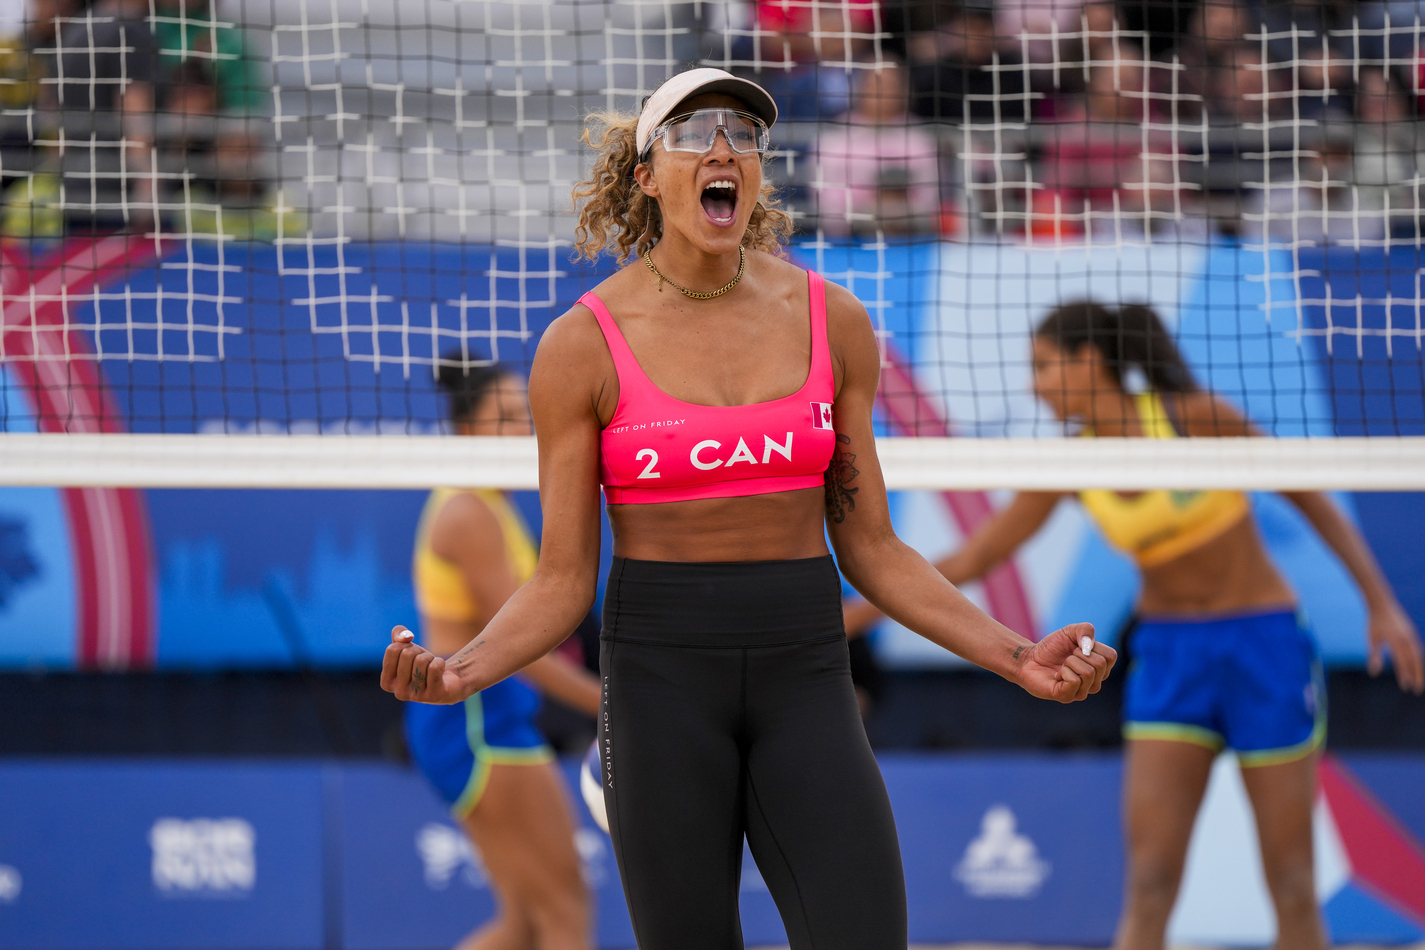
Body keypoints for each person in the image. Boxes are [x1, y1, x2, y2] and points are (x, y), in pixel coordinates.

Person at [382, 66, 1116, 950]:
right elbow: (564, 577)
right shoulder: (580, 345)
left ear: (759, 174)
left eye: (743, 134)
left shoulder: (831, 320)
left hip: (802, 667)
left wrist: (1013, 657)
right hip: (657, 678)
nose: (722, 148)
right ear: (646, 174)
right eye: (693, 133)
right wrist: (463, 670)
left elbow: (874, 549)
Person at [845, 300, 1425, 950]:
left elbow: (1311, 496)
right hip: (1170, 656)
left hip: (1263, 644)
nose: (1033, 384)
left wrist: (1380, 602)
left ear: (1089, 360)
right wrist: (850, 617)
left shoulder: (1194, 418)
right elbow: (974, 557)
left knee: (1291, 880)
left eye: (1043, 365)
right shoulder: (1072, 461)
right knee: (1149, 881)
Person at [403, 361, 602, 950]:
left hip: (477, 718)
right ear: (466, 431)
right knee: (565, 914)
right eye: (507, 418)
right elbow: (519, 653)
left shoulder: (490, 504)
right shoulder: (470, 513)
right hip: (475, 721)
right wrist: (612, 702)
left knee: (524, 925)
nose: (524, 430)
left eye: (527, 417)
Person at [814, 60, 941, 236]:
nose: (884, 91)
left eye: (892, 85)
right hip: (850, 239)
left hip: (910, 236)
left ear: (905, 91)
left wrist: (896, 213)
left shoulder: (920, 141)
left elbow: (930, 199)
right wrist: (869, 211)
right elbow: (826, 201)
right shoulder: (834, 140)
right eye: (877, 84)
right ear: (860, 88)